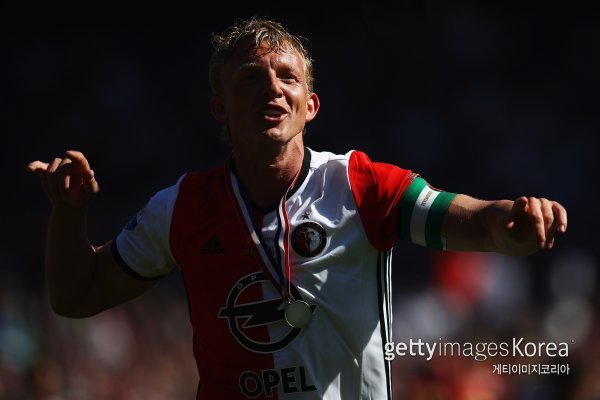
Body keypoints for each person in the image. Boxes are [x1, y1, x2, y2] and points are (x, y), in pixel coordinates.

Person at [27, 17, 568, 400]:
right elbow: (76, 297)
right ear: (220, 109)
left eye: (287, 77)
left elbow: (471, 219)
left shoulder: (360, 185)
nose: (272, 89)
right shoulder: (181, 208)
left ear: (310, 105)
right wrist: (69, 214)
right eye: (250, 79)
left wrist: (509, 223)